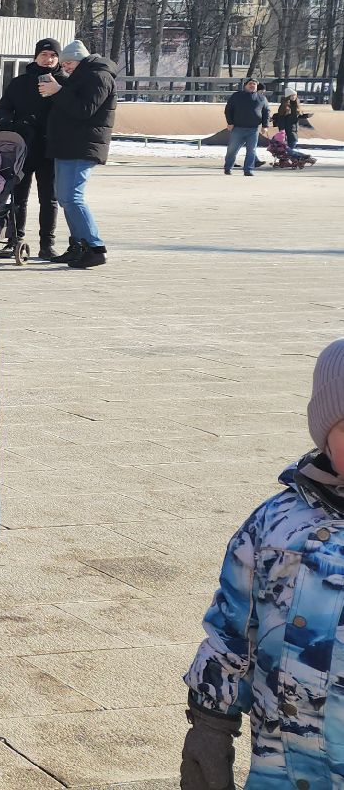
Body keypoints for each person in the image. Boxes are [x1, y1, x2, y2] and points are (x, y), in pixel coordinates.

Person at [181, 337, 344, 790]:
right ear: (324, 434)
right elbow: (231, 635)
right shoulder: (274, 525)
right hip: (284, 770)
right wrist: (209, 726)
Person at [40, 51, 118, 269]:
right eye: (64, 63)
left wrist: (58, 91)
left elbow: (85, 110)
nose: (66, 66)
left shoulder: (98, 76)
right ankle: (79, 245)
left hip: (82, 146)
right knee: (65, 198)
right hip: (68, 145)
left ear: (82, 59)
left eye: (69, 62)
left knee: (73, 198)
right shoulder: (83, 76)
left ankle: (95, 248)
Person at [0, 38, 63, 259]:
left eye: (53, 55)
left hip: (51, 147)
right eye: (44, 55)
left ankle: (47, 244)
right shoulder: (19, 83)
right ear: (35, 56)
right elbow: (2, 109)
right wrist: (10, 124)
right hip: (23, 147)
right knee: (18, 196)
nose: (49, 59)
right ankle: (14, 240)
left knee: (49, 198)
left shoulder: (65, 83)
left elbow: (72, 111)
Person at [223, 78, 272, 176]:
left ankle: (248, 170)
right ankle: (228, 167)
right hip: (237, 128)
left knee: (251, 150)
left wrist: (265, 125)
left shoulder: (261, 98)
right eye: (250, 84)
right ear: (245, 85)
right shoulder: (237, 96)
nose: (252, 85)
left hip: (253, 129)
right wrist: (230, 122)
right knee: (232, 150)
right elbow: (228, 110)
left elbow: (266, 112)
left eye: (254, 84)